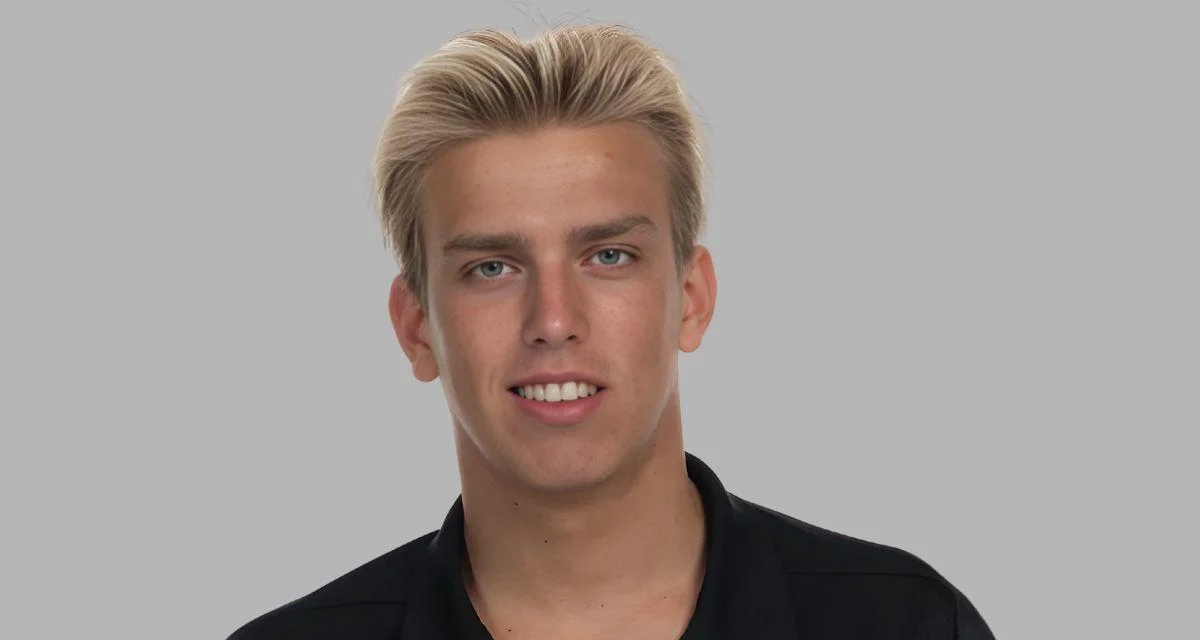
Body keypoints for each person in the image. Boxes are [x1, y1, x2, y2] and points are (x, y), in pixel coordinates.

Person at [228, 23, 996, 639]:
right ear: (417, 326)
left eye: (608, 255)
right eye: (492, 268)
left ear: (690, 298)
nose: (554, 320)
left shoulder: (906, 625)